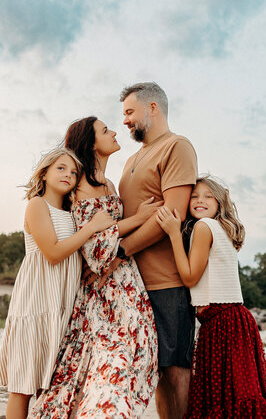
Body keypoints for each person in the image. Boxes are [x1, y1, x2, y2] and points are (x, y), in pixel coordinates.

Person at [30, 117, 160, 417]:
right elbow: (97, 251)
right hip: (104, 294)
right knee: (109, 368)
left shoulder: (109, 183)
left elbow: (109, 233)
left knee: (138, 358)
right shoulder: (81, 187)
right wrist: (138, 218)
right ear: (91, 144)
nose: (114, 132)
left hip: (128, 285)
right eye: (105, 130)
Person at [0, 148, 114, 419]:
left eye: (73, 172)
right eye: (61, 168)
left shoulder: (71, 212)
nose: (68, 175)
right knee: (23, 385)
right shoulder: (37, 205)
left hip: (63, 305)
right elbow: (52, 253)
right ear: (45, 172)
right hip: (37, 303)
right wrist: (91, 227)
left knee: (50, 385)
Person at [156, 175, 266, 418]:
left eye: (208, 196)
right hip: (233, 320)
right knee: (237, 393)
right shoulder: (221, 228)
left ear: (219, 203)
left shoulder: (204, 227)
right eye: (194, 196)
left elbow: (191, 277)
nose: (199, 200)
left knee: (225, 396)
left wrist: (173, 234)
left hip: (223, 322)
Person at [116, 82, 198, 419]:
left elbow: (173, 215)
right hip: (132, 284)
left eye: (129, 112)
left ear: (153, 107)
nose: (124, 121)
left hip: (168, 282)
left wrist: (121, 252)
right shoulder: (131, 159)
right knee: (154, 371)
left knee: (175, 370)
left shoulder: (177, 147)